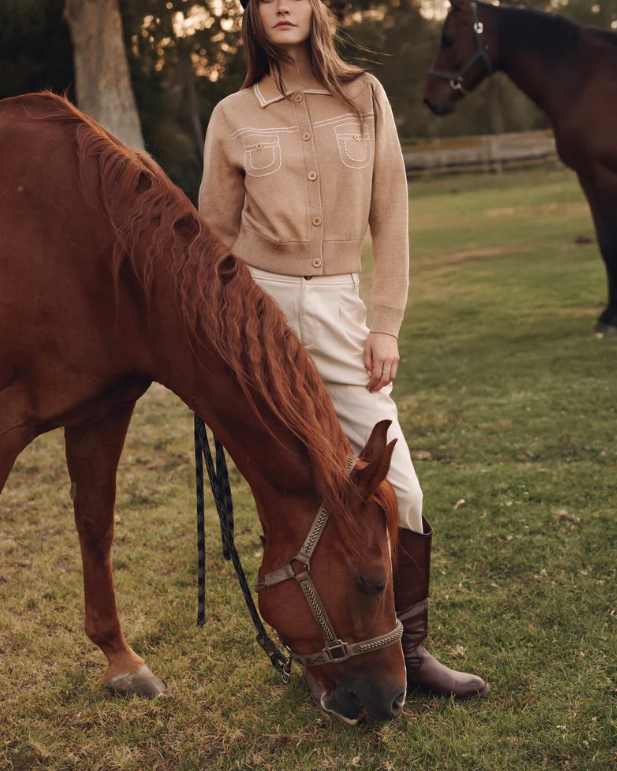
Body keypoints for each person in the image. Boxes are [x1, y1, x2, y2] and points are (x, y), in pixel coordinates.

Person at [198, 0, 488, 700]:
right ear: (253, 16)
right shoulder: (232, 115)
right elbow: (211, 236)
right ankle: (322, 653)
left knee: (402, 491)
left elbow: (391, 216)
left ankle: (411, 653)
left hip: (339, 308)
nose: (282, 6)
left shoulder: (364, 96)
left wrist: (383, 323)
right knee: (297, 489)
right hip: (256, 315)